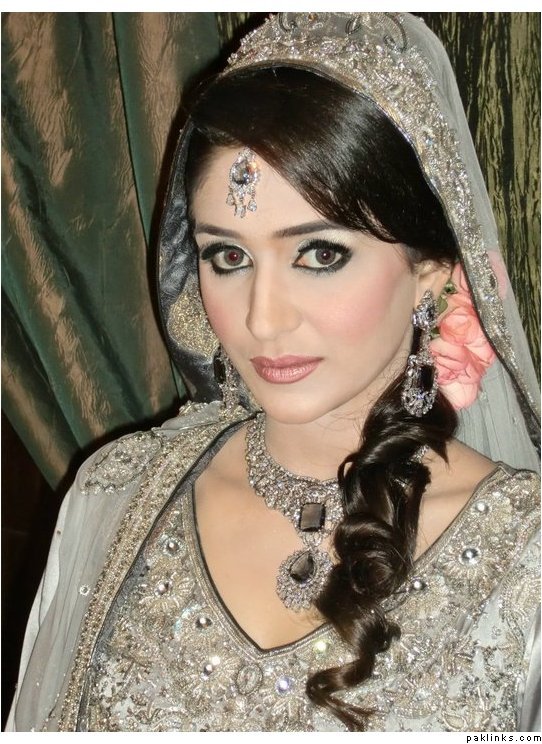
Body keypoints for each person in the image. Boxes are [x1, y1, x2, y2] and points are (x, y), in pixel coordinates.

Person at [6, 12, 540, 733]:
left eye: (319, 254)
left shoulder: (526, 557)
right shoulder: (117, 494)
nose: (262, 318)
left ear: (430, 273)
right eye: (228, 257)